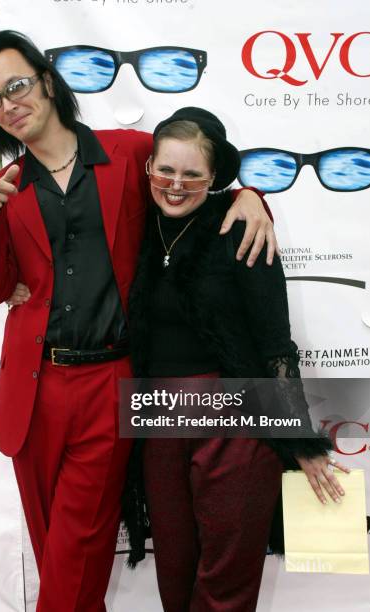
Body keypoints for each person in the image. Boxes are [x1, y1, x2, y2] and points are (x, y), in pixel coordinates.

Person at [0, 29, 277, 612]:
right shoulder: (5, 190)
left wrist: (250, 195)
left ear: (48, 83)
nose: (9, 104)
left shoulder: (129, 153)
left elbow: (193, 178)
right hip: (31, 392)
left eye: (17, 85)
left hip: (109, 383)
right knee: (59, 555)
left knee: (75, 557)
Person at [123, 107, 350, 612]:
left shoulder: (241, 227)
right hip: (156, 422)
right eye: (165, 170)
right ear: (149, 169)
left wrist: (299, 439)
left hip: (235, 421)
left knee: (225, 582)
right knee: (174, 576)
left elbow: (275, 341)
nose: (175, 185)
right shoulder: (132, 229)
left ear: (215, 179)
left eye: (191, 175)